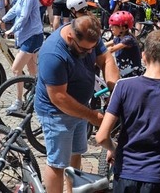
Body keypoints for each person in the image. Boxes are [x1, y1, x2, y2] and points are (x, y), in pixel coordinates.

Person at [96, 30, 160, 193]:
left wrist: (114, 149)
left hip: (126, 175)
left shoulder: (123, 87)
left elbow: (102, 136)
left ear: (143, 56)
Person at [35, 15, 119, 193]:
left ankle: (73, 191)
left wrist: (115, 91)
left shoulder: (88, 38)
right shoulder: (53, 54)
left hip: (80, 107)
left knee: (76, 153)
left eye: (92, 48)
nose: (90, 53)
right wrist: (91, 115)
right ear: (71, 38)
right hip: (56, 113)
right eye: (85, 49)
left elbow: (106, 59)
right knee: (57, 163)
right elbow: (59, 98)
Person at [0, 0, 44, 112]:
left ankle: (18, 102)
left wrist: (11, 30)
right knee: (32, 70)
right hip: (29, 36)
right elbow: (14, 11)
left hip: (32, 37)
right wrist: (2, 20)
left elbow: (23, 17)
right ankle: (39, 97)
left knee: (16, 69)